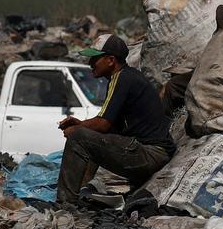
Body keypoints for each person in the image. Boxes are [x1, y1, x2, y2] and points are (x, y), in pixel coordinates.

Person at [56, 34, 175, 205]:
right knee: (88, 138)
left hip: (150, 154)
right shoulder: (126, 77)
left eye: (95, 59)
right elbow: (106, 126)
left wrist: (77, 128)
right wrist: (81, 125)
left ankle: (64, 204)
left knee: (79, 137)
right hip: (151, 152)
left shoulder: (121, 79)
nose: (90, 64)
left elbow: (103, 124)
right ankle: (81, 193)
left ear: (110, 60)